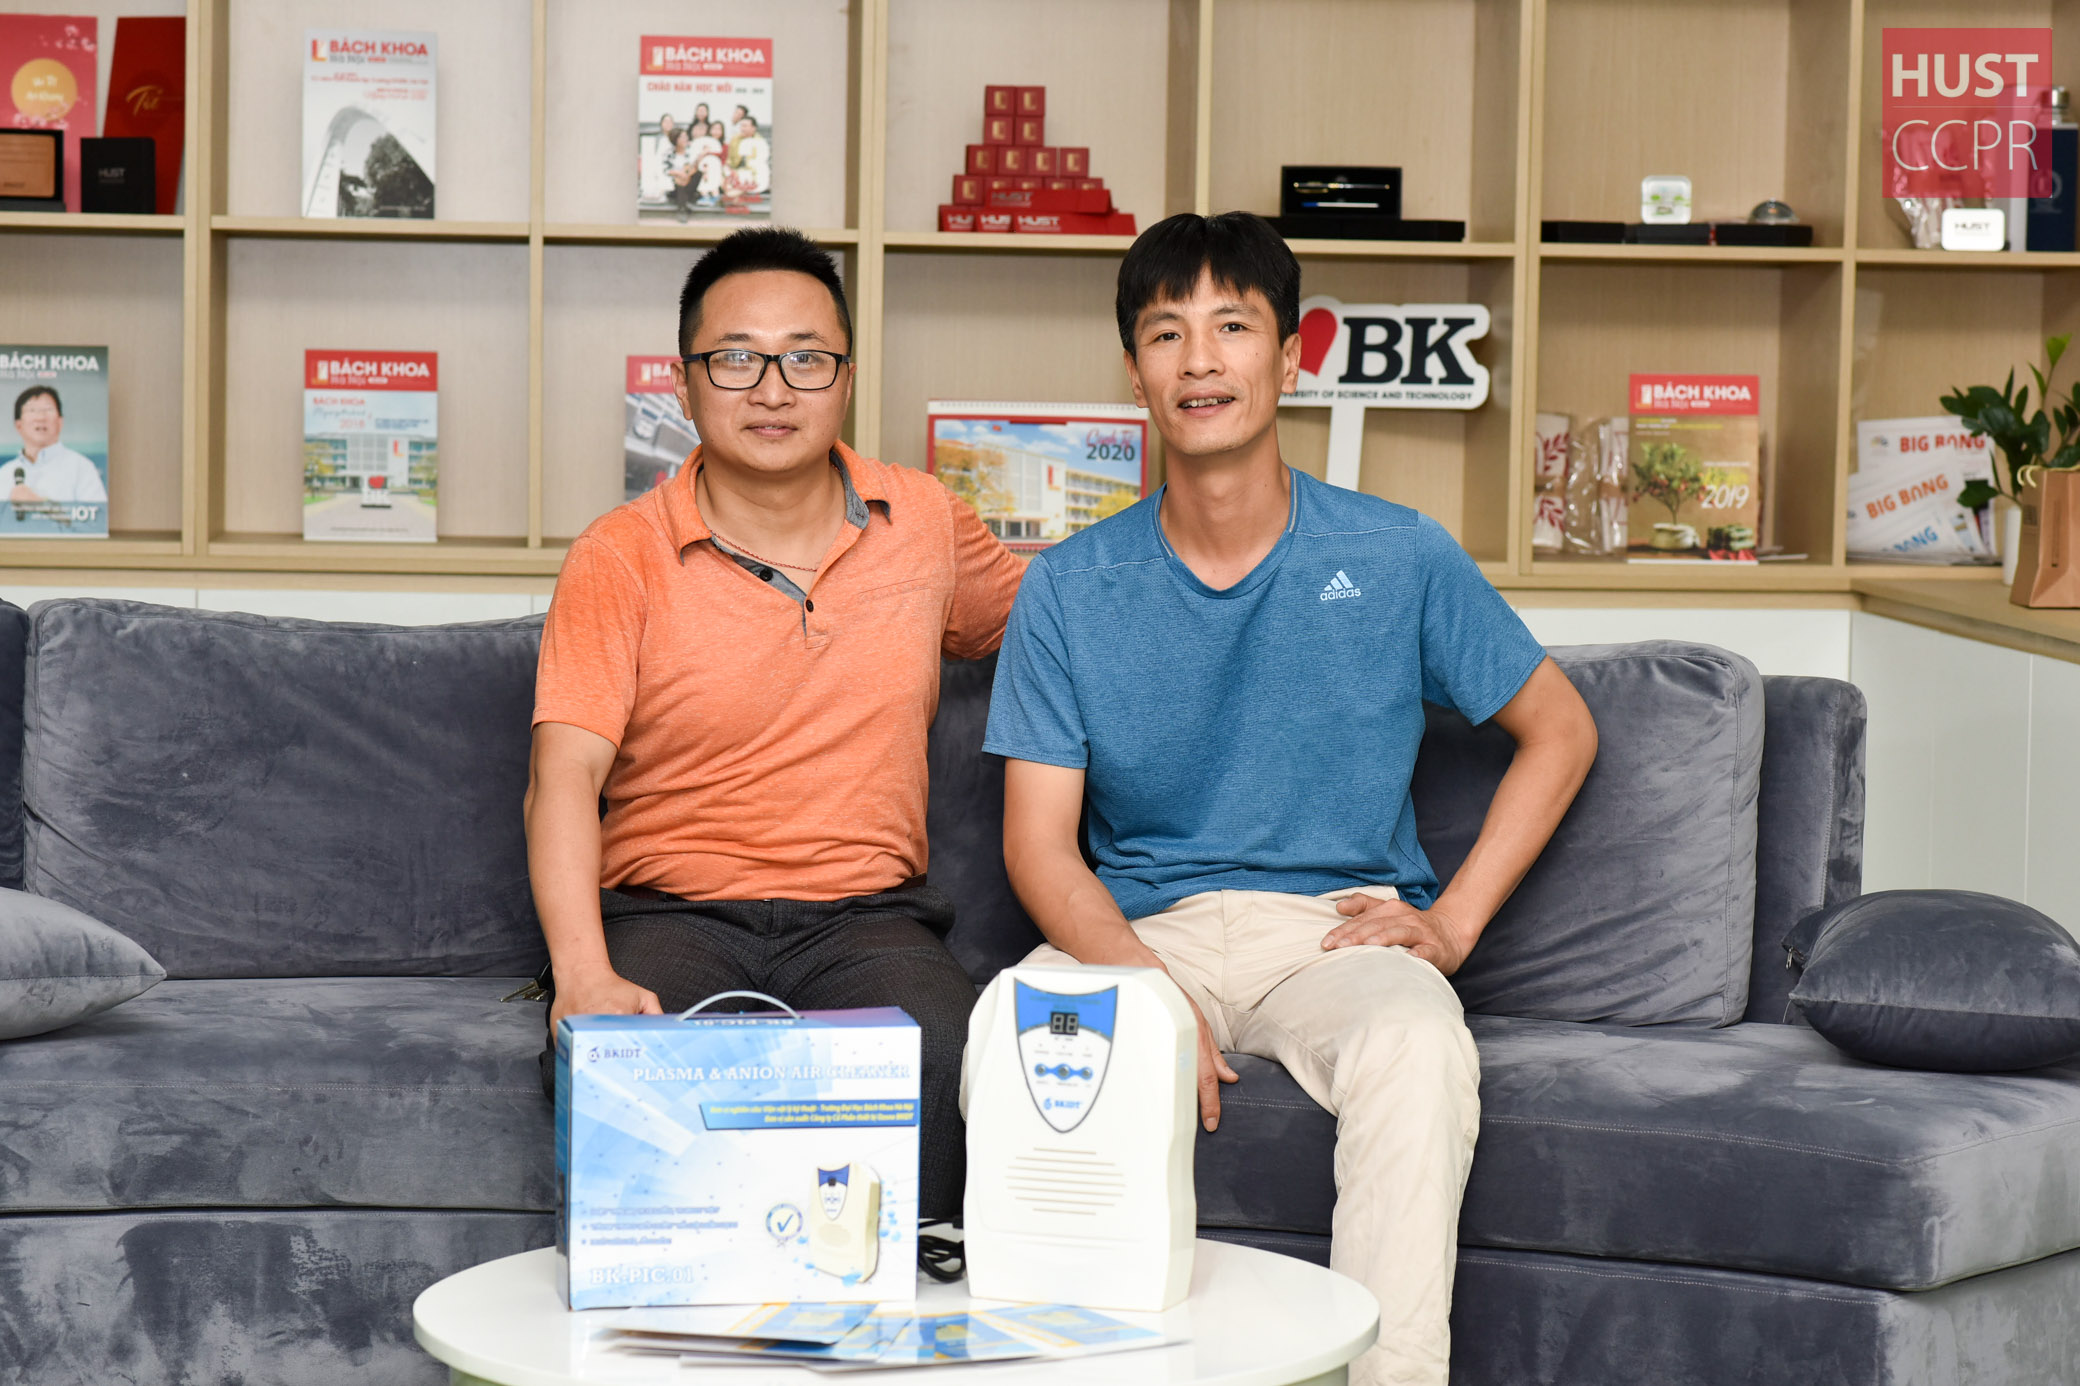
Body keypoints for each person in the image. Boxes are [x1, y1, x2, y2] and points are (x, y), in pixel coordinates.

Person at [983, 211, 1598, 1386]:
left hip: (1330, 934)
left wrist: (1452, 924)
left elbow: (1560, 730)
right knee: (1004, 1032)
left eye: (1232, 327)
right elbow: (1039, 847)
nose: (1199, 360)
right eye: (1166, 333)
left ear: (1291, 357)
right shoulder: (1064, 588)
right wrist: (1144, 988)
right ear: (1134, 373)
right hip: (1139, 933)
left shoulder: (1398, 553)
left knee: (1417, 1042)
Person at [526, 227, 1027, 1232]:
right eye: (736, 359)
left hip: (867, 919)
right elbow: (562, 778)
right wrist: (582, 973)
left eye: (805, 358)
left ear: (845, 379)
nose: (772, 389)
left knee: (952, 1064)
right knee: (631, 1071)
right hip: (668, 916)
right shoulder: (618, 556)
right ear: (684, 383)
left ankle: (892, 1316)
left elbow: (1076, 630)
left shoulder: (924, 522)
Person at [7, 386, 107, 506]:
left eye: (48, 410)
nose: (40, 418)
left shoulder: (81, 468)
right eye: (32, 410)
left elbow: (96, 516)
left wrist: (39, 504)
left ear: (60, 422)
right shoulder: (4, 474)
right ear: (19, 425)